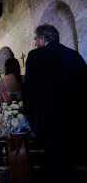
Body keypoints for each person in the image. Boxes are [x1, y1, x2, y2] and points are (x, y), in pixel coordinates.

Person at [22, 24, 87, 183]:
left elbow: (29, 87)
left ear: (43, 38)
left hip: (48, 116)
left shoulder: (36, 56)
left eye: (36, 39)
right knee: (70, 158)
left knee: (52, 158)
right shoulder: (74, 56)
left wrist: (28, 112)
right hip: (74, 116)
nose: (35, 43)